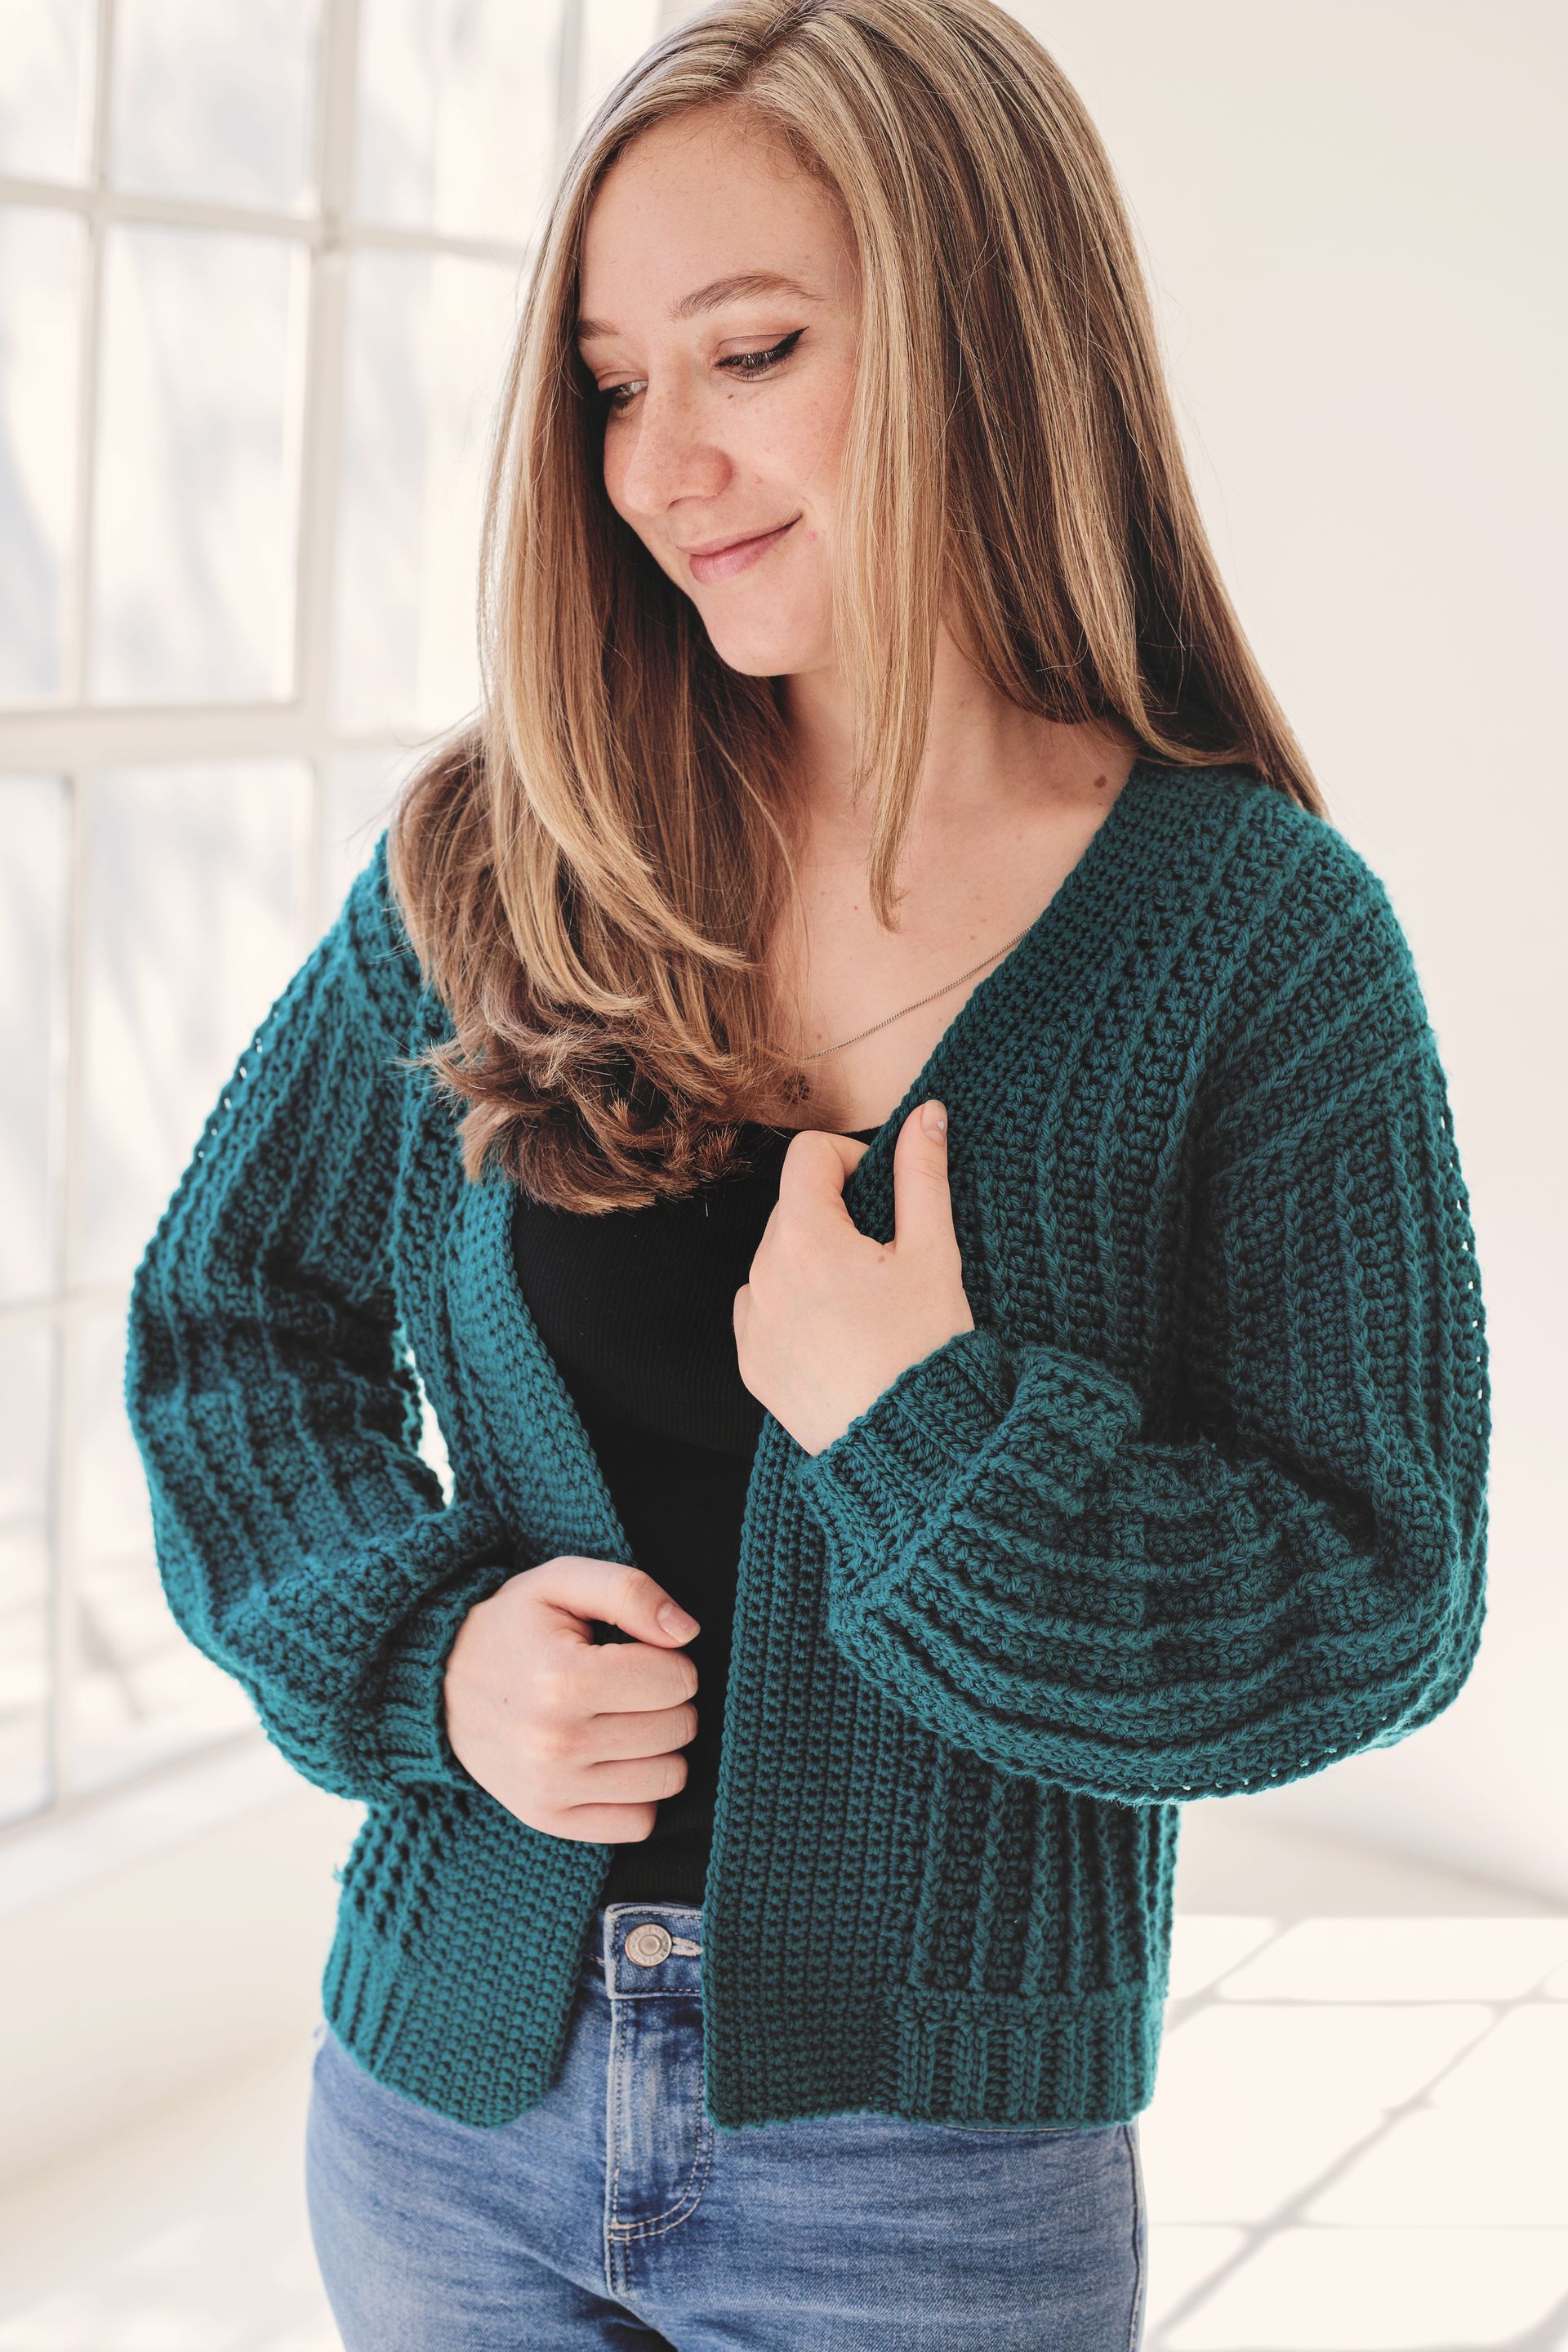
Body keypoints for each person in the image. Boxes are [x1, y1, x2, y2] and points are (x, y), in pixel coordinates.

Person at [123, 2, 1490, 2345]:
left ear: (989, 332)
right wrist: (434, 1663)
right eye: (613, 383)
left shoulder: (1254, 945)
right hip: (444, 2112)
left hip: (932, 2187)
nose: (665, 463)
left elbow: (1376, 1592)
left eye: (748, 350)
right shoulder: (507, 856)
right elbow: (228, 1330)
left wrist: (919, 1429)